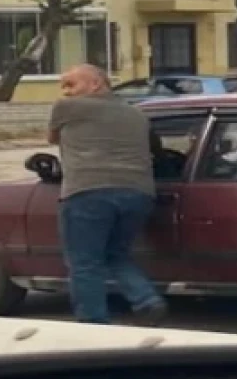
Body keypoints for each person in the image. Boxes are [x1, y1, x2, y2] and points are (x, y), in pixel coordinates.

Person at [47, 63, 168, 326]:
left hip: (87, 192)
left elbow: (53, 139)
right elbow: (154, 149)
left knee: (84, 262)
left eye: (71, 85)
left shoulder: (65, 108)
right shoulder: (137, 114)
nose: (65, 92)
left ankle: (93, 322)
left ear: (95, 84)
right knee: (116, 254)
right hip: (139, 194)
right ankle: (147, 300)